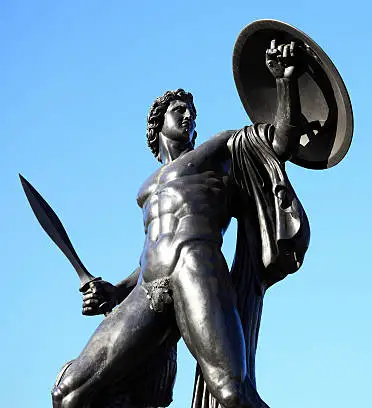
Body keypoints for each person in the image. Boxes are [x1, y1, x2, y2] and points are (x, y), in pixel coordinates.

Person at [52, 40, 310, 408]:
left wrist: (285, 81)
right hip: (148, 287)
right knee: (69, 394)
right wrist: (115, 290)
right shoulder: (145, 188)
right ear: (157, 124)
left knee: (231, 394)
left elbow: (281, 143)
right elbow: (151, 251)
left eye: (192, 112)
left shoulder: (219, 150)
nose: (189, 116)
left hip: (196, 267)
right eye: (179, 111)